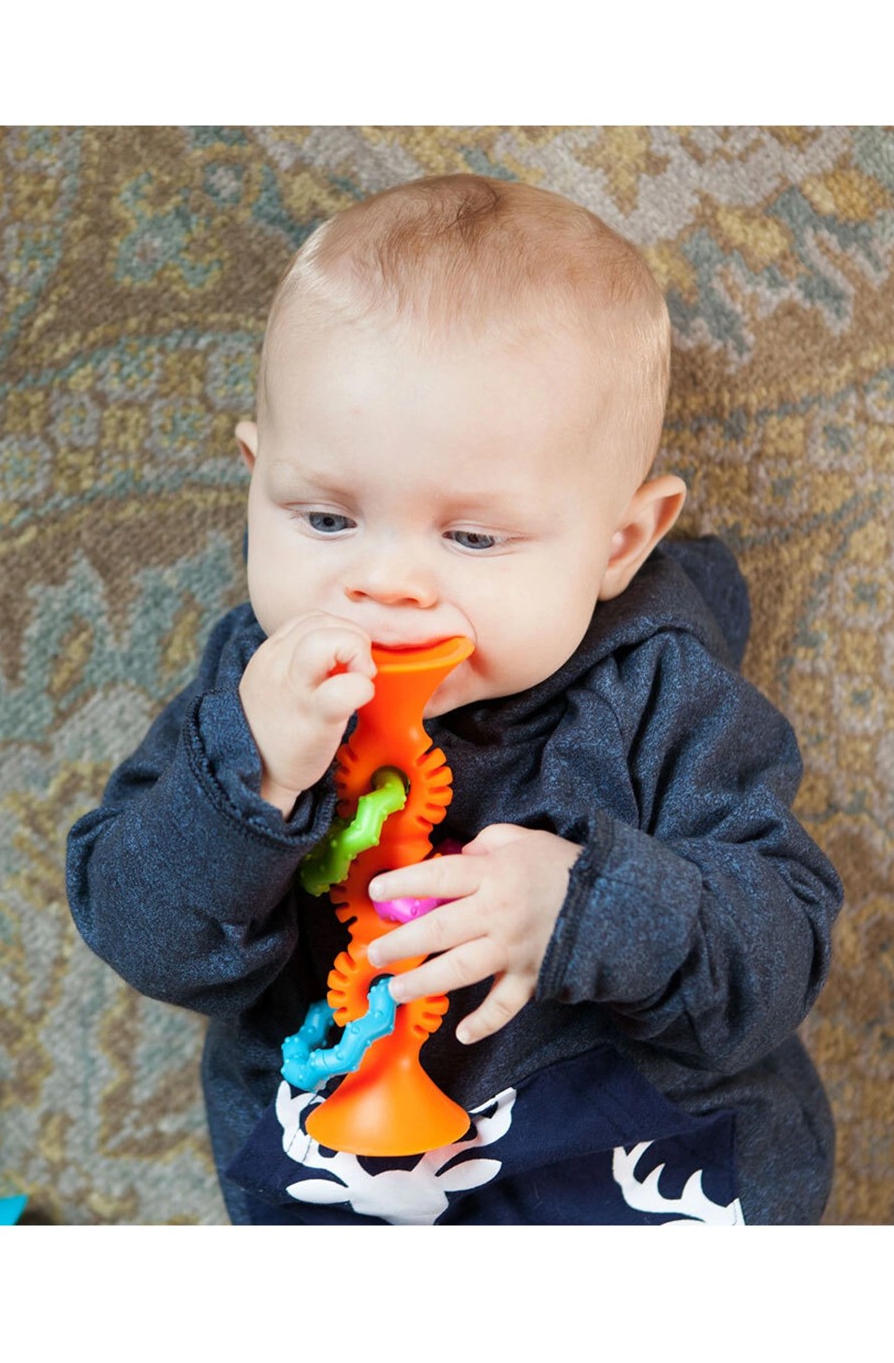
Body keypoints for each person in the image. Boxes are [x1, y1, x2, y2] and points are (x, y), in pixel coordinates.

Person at [66, 174, 843, 1225]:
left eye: (472, 537)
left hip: (633, 1170)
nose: (384, 583)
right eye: (326, 519)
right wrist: (247, 776)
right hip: (348, 1187)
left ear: (619, 542)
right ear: (256, 480)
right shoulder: (252, 689)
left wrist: (585, 906)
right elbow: (142, 934)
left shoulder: (663, 694)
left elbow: (778, 957)